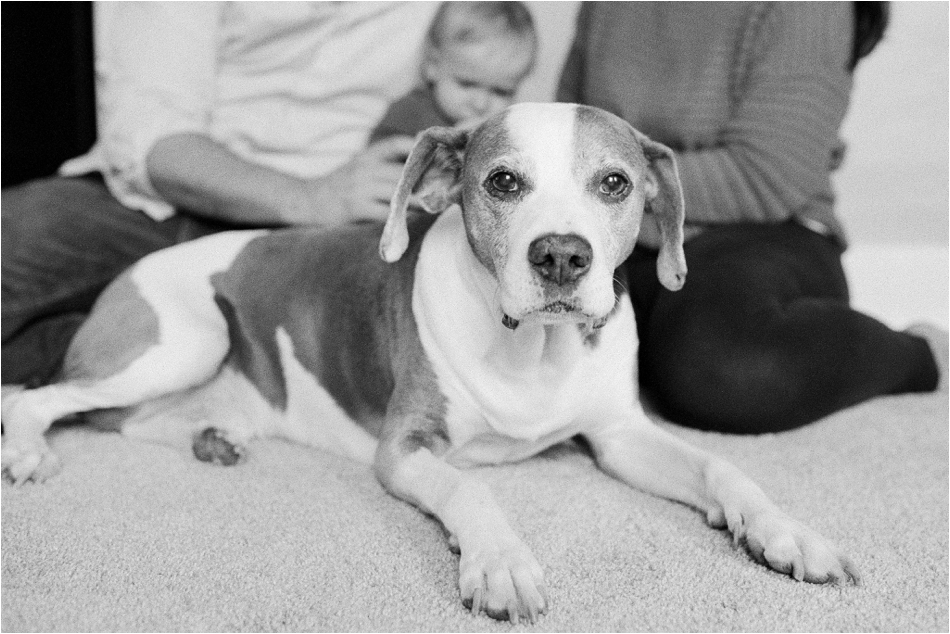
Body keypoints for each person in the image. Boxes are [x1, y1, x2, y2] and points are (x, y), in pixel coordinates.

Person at [2, 2, 440, 387]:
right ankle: (158, 353)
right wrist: (311, 197)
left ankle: (179, 357)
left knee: (411, 320)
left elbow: (503, 59)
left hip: (326, 231)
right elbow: (154, 144)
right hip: (155, 203)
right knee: (20, 231)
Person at [557, 2, 946, 433]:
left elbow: (764, 178)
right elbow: (569, 134)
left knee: (718, 367)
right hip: (624, 227)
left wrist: (608, 182)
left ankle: (918, 355)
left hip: (762, 233)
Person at [368, 1, 537, 143]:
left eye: (501, 92)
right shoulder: (409, 113)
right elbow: (380, 165)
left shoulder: (505, 127)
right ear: (432, 65)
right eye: (467, 84)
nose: (480, 104)